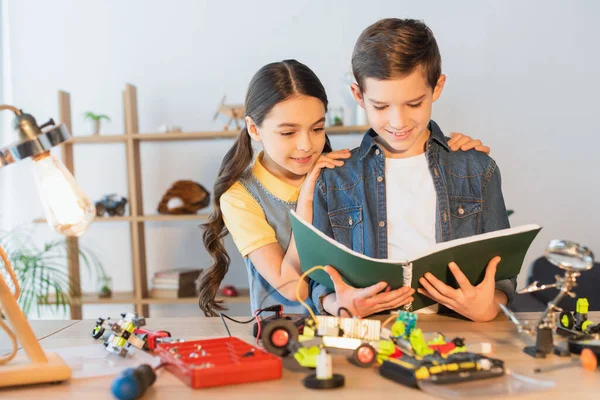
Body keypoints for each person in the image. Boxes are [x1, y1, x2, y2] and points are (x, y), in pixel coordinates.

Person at [198, 59, 491, 317]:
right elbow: (290, 286)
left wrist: (455, 152)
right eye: (288, 132)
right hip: (286, 333)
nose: (306, 145)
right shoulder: (240, 198)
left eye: (317, 128)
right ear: (253, 129)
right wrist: (306, 204)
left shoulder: (340, 173)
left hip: (353, 325)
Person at [312, 18, 513, 322]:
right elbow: (317, 279)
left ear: (438, 87)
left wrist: (489, 306)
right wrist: (337, 304)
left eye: (415, 103)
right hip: (371, 337)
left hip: (459, 334)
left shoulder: (477, 169)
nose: (398, 122)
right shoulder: (334, 178)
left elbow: (503, 276)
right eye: (380, 107)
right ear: (358, 96)